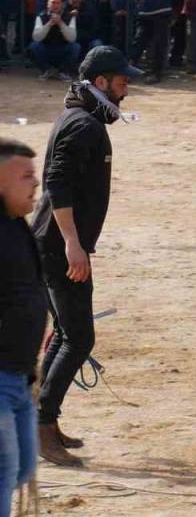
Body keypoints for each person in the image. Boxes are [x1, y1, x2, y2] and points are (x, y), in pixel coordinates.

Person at [31, 46, 142, 468]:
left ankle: (42, 422)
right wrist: (74, 244)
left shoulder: (81, 119)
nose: (126, 87)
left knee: (64, 333)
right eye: (122, 80)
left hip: (52, 243)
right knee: (79, 338)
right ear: (101, 83)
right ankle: (43, 426)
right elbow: (57, 183)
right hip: (60, 247)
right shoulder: (84, 127)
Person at [0, 138, 46, 517]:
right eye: (26, 176)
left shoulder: (17, 224)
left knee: (21, 468)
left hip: (18, 375)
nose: (36, 183)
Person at [31, 0, 79, 81]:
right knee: (34, 46)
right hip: (46, 49)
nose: (55, 6)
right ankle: (46, 70)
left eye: (58, 3)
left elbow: (72, 38)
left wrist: (60, 23)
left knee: (75, 47)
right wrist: (50, 24)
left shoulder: (69, 16)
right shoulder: (41, 16)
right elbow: (36, 37)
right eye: (53, 3)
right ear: (48, 4)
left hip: (63, 49)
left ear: (62, 4)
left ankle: (63, 72)